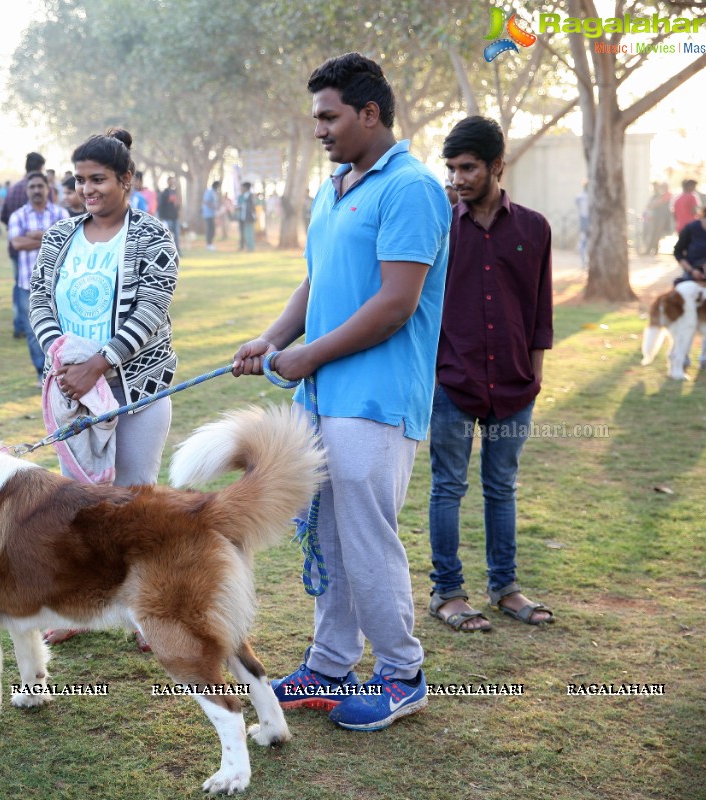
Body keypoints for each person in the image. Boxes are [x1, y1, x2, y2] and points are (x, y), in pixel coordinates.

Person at [231, 53, 449, 731]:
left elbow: (395, 304)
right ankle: (329, 664)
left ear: (370, 113)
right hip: (321, 397)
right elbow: (316, 283)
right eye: (315, 118)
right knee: (325, 535)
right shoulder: (337, 186)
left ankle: (400, 674)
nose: (319, 130)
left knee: (366, 538)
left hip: (377, 400)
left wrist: (305, 357)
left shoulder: (410, 188)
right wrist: (272, 341)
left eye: (329, 116)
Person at [30, 129, 179, 647]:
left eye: (98, 179)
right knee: (83, 501)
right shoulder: (59, 236)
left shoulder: (152, 235)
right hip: (72, 387)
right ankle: (84, 606)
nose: (88, 190)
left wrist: (102, 362)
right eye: (80, 181)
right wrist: (65, 361)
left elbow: (152, 308)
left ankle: (147, 609)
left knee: (135, 497)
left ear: (126, 180)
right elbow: (40, 302)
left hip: (137, 385)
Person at [428, 116, 554, 634]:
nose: (458, 178)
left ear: (497, 166)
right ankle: (448, 592)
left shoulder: (534, 227)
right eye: (452, 168)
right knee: (447, 487)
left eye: (469, 168)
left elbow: (540, 309)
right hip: (452, 382)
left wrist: (535, 377)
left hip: (514, 382)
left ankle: (505, 587)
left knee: (502, 487)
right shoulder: (437, 225)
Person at [8, 171, 67, 381]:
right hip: (28, 284)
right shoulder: (18, 216)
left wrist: (34, 235)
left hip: (59, 283)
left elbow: (67, 242)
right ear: (26, 190)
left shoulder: (61, 214)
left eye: (40, 186)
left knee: (62, 328)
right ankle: (43, 373)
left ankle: (61, 371)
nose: (36, 191)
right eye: (32, 187)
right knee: (34, 332)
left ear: (47, 189)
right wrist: (49, 237)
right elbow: (16, 243)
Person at [1, 153, 46, 339]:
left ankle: (19, 325)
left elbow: (3, 215)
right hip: (21, 249)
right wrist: (45, 237)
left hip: (18, 250)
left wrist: (30, 236)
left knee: (20, 286)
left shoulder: (13, 189)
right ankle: (25, 326)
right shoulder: (37, 187)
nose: (36, 190)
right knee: (24, 286)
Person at [672, 202, 706, 369]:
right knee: (687, 320)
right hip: (691, 282)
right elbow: (678, 252)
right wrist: (692, 270)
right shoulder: (692, 228)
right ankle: (682, 356)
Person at [157, 175, 180, 251]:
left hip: (175, 217)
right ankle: (169, 250)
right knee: (168, 235)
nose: (172, 182)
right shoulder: (165, 193)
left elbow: (177, 204)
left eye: (173, 181)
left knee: (177, 235)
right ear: (168, 182)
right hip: (168, 217)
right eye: (170, 181)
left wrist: (178, 209)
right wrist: (162, 216)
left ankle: (178, 250)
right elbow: (161, 205)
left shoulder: (174, 192)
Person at [236, 182, 256, 251]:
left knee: (249, 232)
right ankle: (248, 247)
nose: (241, 189)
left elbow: (252, 207)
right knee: (246, 233)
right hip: (245, 217)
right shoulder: (244, 196)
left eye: (242, 187)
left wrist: (253, 215)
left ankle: (251, 247)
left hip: (249, 217)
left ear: (246, 188)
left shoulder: (250, 196)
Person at [201, 180, 219, 250]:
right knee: (210, 229)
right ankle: (208, 244)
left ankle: (210, 243)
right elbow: (206, 201)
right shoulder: (209, 192)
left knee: (213, 229)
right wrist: (214, 207)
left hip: (212, 214)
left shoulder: (214, 192)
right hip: (208, 214)